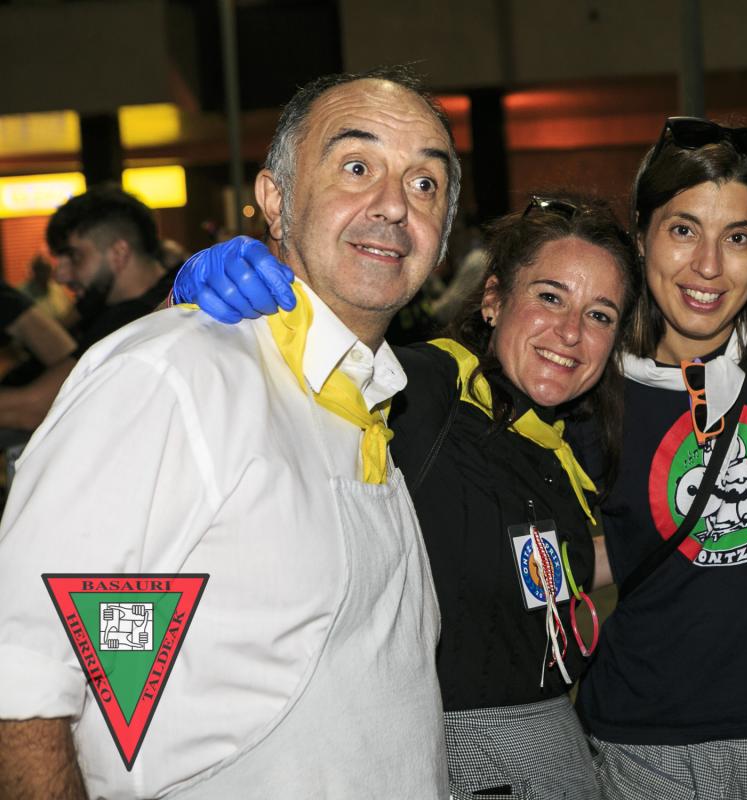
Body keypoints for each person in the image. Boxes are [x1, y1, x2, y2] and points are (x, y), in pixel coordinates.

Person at [0, 65, 458, 798]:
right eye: (356, 166)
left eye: (425, 182)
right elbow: (23, 672)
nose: (394, 205)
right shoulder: (174, 374)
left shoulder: (375, 396)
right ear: (275, 200)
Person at [176, 191, 638, 799]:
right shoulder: (424, 391)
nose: (571, 332)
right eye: (550, 297)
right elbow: (292, 373)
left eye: (600, 315)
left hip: (556, 750)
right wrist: (195, 306)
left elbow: (536, 566)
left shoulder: (562, 443)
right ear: (494, 300)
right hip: (457, 760)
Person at [574, 118, 747, 799]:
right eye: (683, 230)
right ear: (640, 233)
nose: (708, 266)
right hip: (646, 741)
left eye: (737, 237)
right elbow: (573, 550)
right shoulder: (586, 379)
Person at [0, 187, 173, 431]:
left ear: (119, 253)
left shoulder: (140, 317)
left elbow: (33, 408)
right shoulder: (114, 310)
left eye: (74, 256)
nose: (60, 274)